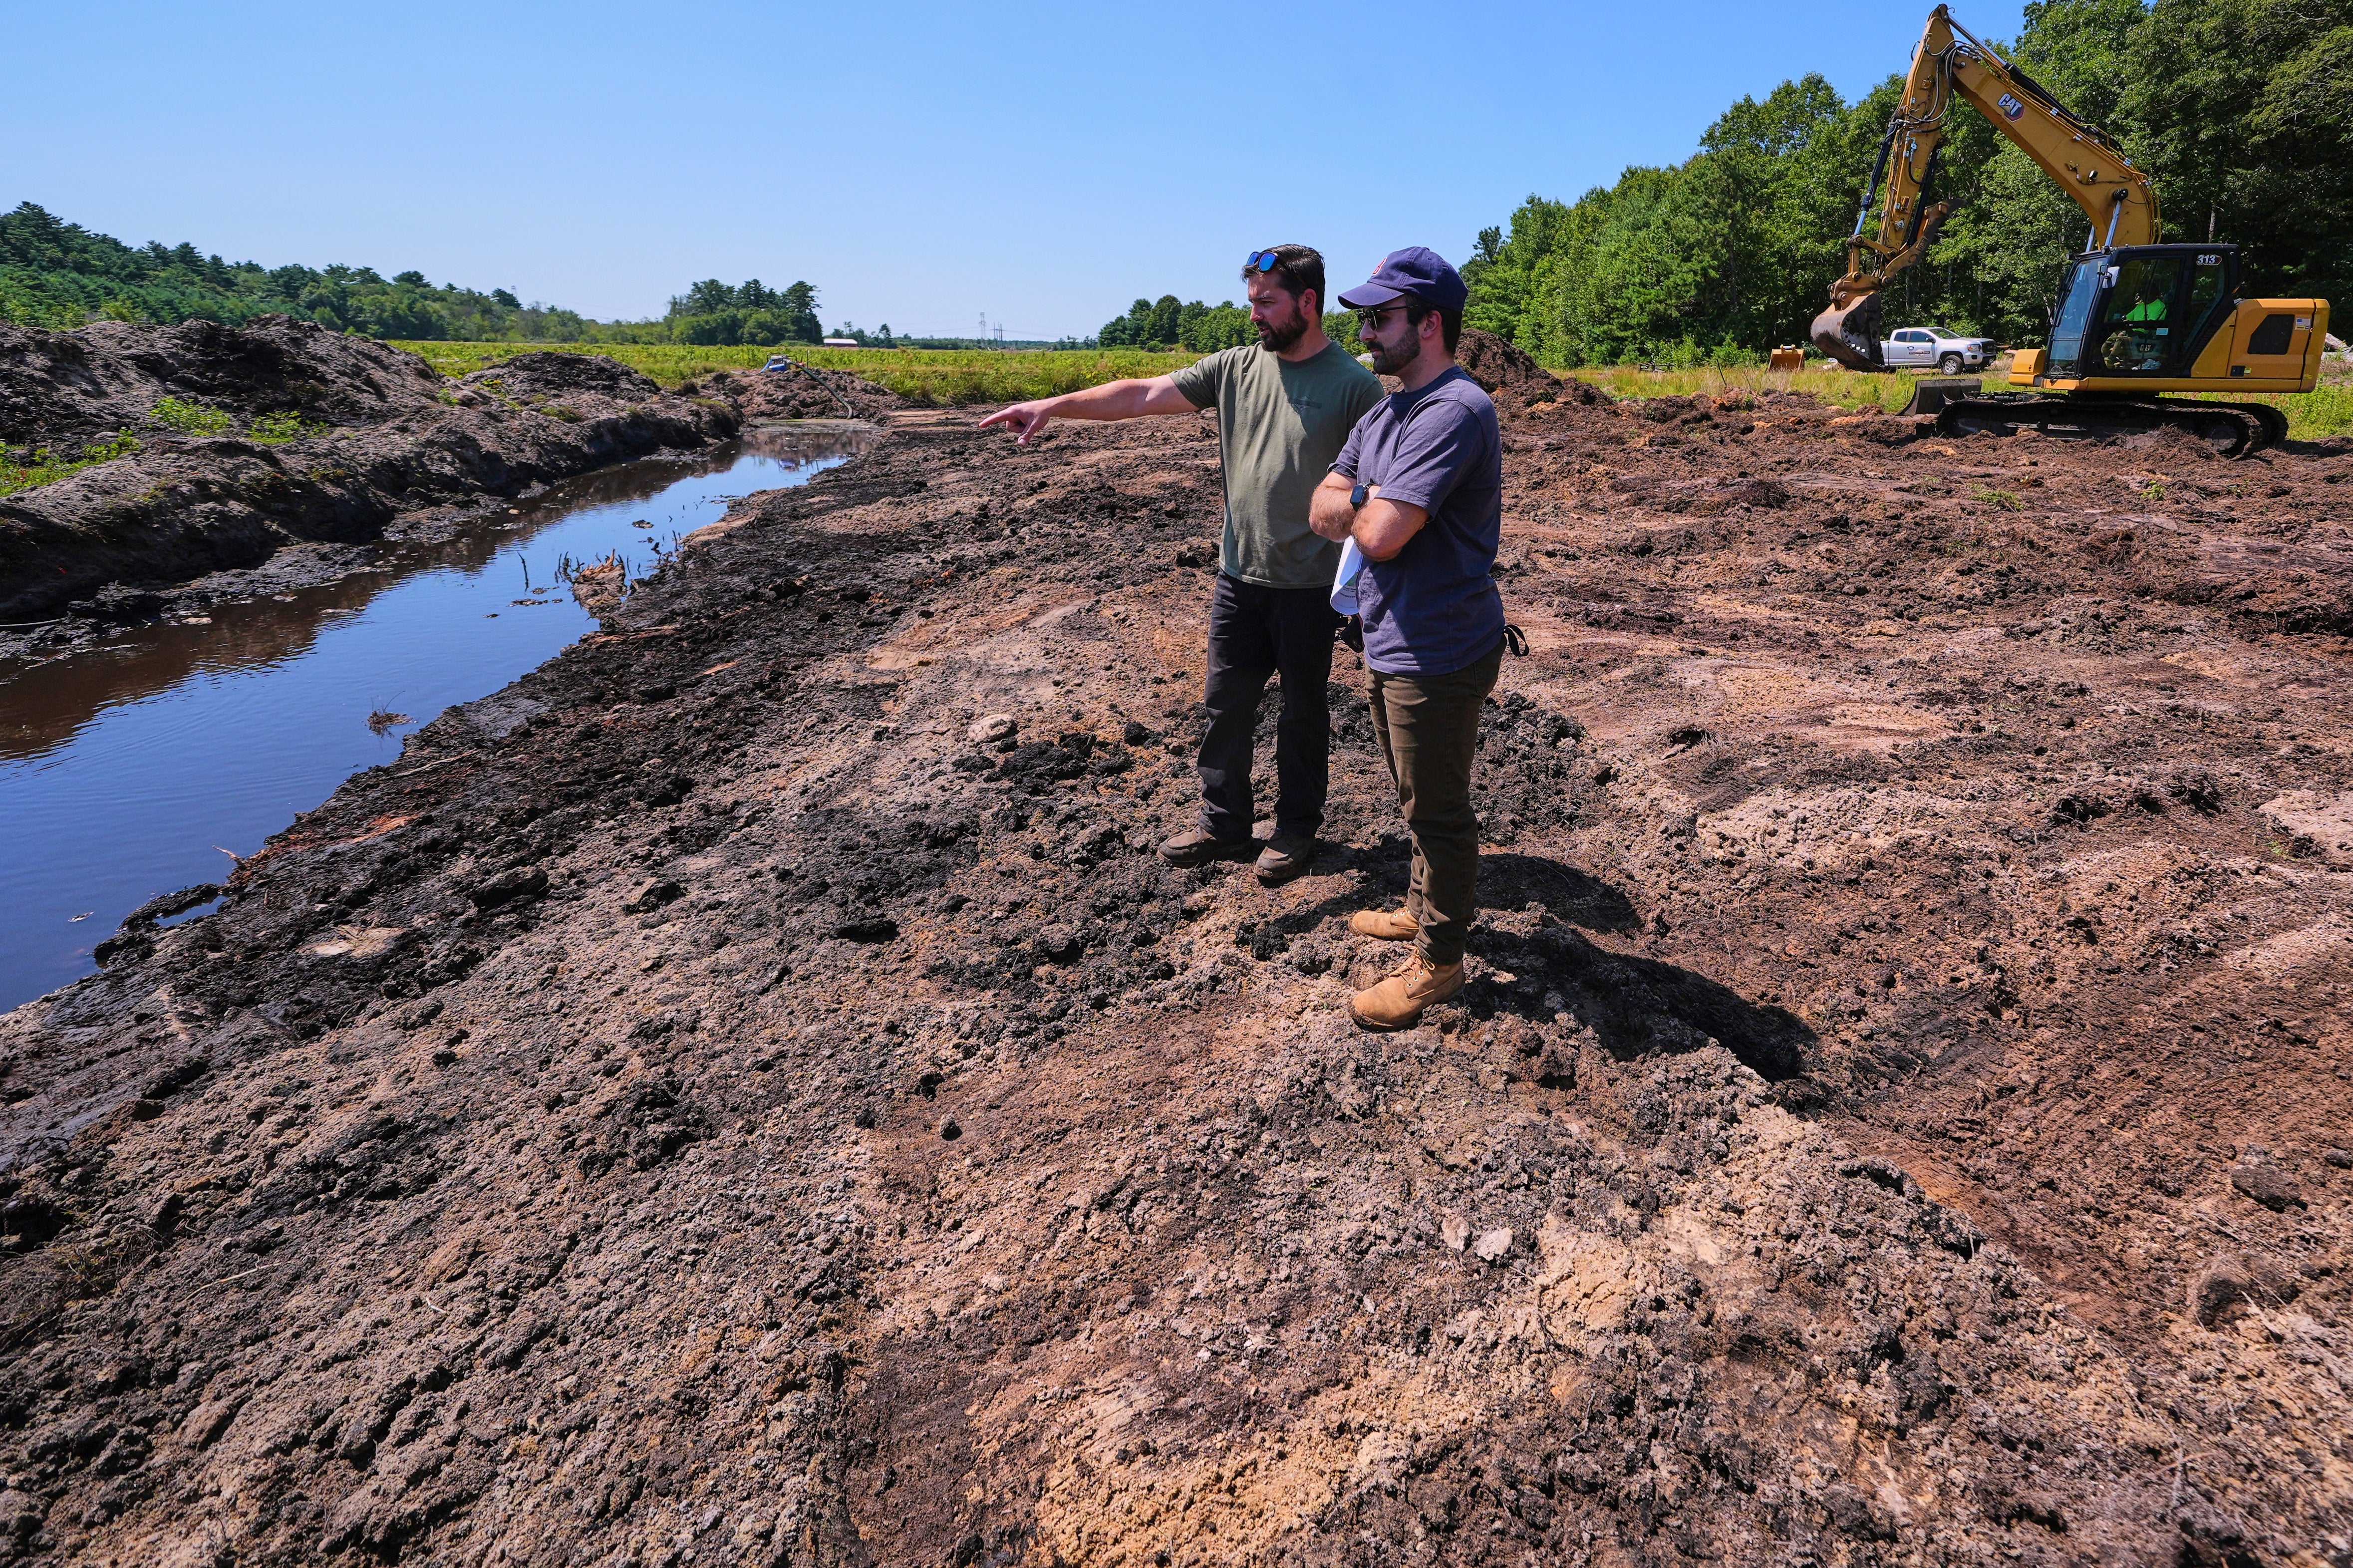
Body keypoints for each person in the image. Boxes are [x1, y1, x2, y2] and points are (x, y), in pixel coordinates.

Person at [980, 247, 1382, 885]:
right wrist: (1053, 406)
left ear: (1308, 303)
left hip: (1309, 586)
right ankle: (1223, 824)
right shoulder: (1233, 370)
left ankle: (1295, 829)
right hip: (1238, 577)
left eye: (1266, 301)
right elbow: (1141, 394)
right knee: (1225, 705)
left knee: (1303, 713)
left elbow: (1381, 488)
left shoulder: (1355, 387)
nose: (1253, 313)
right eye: (1250, 300)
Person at [1308, 247, 1505, 1030]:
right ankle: (1422, 908)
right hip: (1390, 635)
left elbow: (1381, 534)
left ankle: (1441, 962)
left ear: (1427, 324)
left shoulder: (1453, 411)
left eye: (1380, 317)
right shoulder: (1386, 411)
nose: (1364, 328)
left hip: (1440, 645)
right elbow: (1323, 507)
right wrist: (1364, 493)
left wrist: (1363, 502)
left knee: (1439, 809)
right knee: (1412, 793)